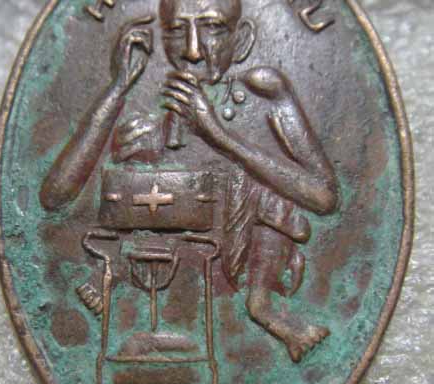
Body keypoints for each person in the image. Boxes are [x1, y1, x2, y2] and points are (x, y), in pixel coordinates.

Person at [40, 0, 339, 363]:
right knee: (141, 174)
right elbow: (55, 196)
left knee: (268, 194)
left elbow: (323, 197)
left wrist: (219, 136)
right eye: (177, 31)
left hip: (245, 258)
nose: (193, 51)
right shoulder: (145, 106)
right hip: (167, 273)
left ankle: (262, 306)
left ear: (242, 40)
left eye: (212, 28)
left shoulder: (262, 92)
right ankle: (116, 277)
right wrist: (118, 88)